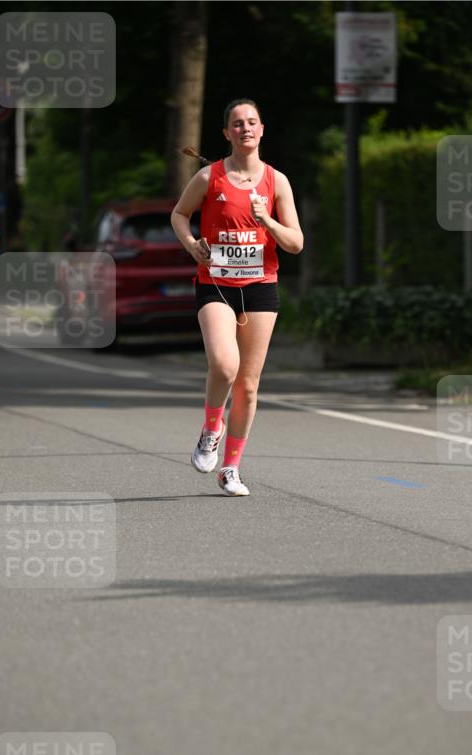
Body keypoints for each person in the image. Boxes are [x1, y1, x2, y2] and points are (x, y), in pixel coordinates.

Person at [171, 98, 303, 496]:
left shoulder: (276, 181)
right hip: (215, 284)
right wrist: (192, 244)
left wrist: (266, 220)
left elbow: (295, 243)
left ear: (262, 130)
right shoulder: (209, 177)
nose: (245, 128)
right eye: (237, 124)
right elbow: (179, 214)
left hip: (261, 286)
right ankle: (212, 426)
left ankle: (230, 468)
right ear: (227, 133)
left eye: (252, 122)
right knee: (225, 366)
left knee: (248, 385)